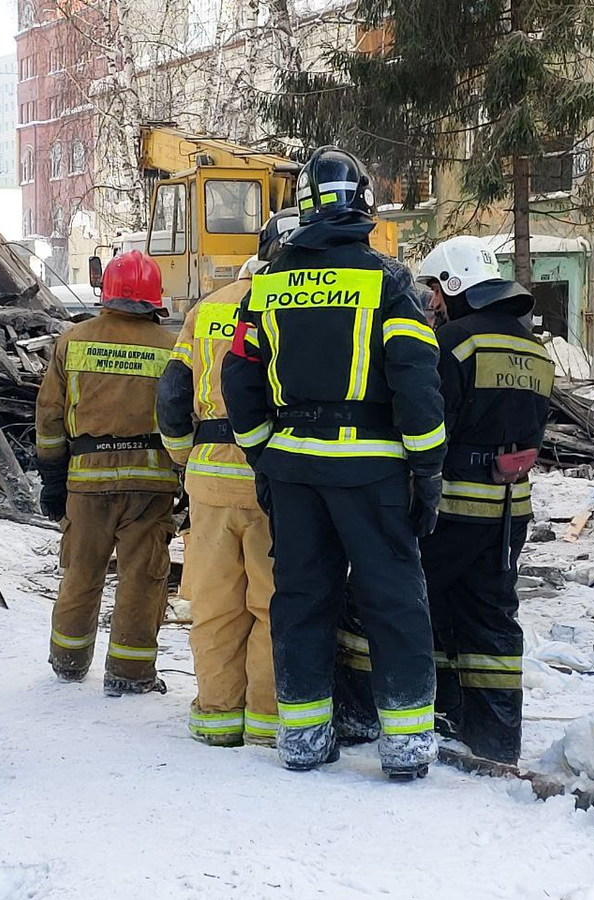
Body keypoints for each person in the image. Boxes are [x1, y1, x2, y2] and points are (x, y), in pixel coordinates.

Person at [222, 146, 446, 779]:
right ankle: (402, 747)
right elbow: (416, 383)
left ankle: (303, 738)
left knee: (301, 599)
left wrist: (263, 451)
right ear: (364, 206)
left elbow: (238, 378)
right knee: (393, 600)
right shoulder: (389, 282)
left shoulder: (266, 284)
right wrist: (426, 470)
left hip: (292, 468)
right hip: (370, 470)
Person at [155, 209, 298, 748]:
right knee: (270, 603)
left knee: (214, 605)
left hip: (209, 484)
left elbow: (172, 395)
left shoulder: (206, 310)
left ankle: (216, 715)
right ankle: (265, 720)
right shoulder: (294, 306)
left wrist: (182, 460)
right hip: (273, 479)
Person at [415, 236, 552, 765]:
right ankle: (495, 736)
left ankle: (437, 711)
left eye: (435, 290)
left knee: (423, 603)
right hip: (510, 509)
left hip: (452, 503)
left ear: (454, 286)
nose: (433, 303)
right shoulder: (534, 349)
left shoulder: (453, 343)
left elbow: (432, 425)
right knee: (488, 613)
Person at [36, 250, 179, 695]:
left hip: (86, 481)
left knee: (81, 572)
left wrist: (53, 479)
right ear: (155, 299)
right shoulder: (172, 348)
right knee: (142, 578)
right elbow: (181, 415)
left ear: (107, 293)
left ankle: (68, 661)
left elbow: (49, 417)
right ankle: (131, 673)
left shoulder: (74, 340)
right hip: (150, 482)